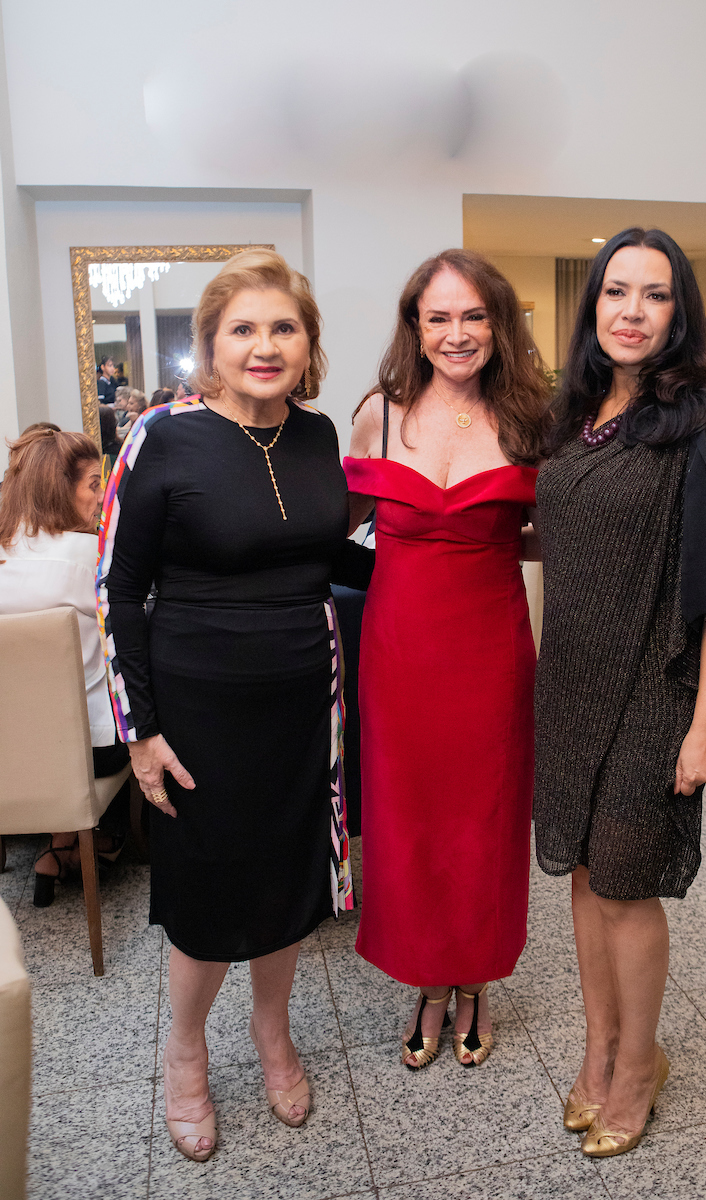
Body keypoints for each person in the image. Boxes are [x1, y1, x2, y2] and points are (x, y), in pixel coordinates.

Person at [96, 248, 371, 1163]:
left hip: (304, 698)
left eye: (283, 327)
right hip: (196, 710)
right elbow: (118, 587)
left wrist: (443, 550)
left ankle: (273, 1033)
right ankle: (184, 1054)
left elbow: (332, 560)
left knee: (290, 884)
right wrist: (139, 735)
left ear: (307, 343)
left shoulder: (319, 435)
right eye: (242, 329)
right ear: (209, 345)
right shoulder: (160, 437)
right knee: (210, 894)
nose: (265, 345)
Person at [534, 227, 706, 1158]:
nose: (630, 310)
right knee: (584, 878)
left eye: (653, 295)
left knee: (625, 887)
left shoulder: (702, 433)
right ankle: (599, 1050)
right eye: (615, 292)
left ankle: (637, 1066)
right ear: (593, 309)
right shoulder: (571, 417)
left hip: (654, 691)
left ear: (678, 314)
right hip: (571, 683)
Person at [345, 248, 549, 1070]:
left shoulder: (532, 419)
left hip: (491, 649)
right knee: (408, 817)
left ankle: (474, 978)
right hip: (397, 652)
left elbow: (552, 532)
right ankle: (427, 979)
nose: (457, 333)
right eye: (439, 317)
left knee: (484, 818)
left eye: (474, 316)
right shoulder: (378, 415)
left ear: (499, 324)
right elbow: (328, 526)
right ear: (415, 326)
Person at [0, 428, 128, 906]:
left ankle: (58, 843)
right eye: (95, 483)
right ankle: (92, 839)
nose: (102, 495)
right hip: (85, 751)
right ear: (60, 487)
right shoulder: (90, 556)